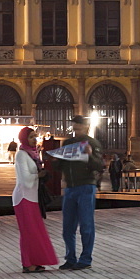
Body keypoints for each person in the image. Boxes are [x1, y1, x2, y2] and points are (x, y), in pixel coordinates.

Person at [50, 115, 103, 270]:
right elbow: (59, 167)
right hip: (70, 188)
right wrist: (55, 160)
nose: (76, 130)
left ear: (86, 127)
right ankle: (70, 258)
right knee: (68, 227)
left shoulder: (93, 143)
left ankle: (86, 259)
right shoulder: (68, 143)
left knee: (86, 225)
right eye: (74, 127)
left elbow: (99, 165)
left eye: (78, 127)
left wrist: (90, 155)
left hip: (86, 186)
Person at [12, 127, 58, 273]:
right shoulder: (21, 155)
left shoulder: (33, 154)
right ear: (24, 139)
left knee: (35, 231)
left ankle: (36, 261)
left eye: (35, 136)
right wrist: (39, 175)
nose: (34, 139)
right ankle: (27, 263)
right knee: (27, 232)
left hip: (33, 197)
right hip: (24, 197)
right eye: (31, 137)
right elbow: (25, 180)